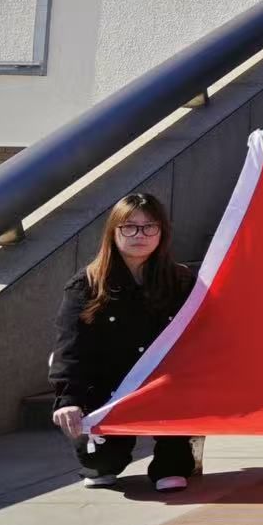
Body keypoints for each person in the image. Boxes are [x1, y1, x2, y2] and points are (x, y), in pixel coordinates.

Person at [50, 192, 197, 492]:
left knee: (173, 472)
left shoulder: (181, 281)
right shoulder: (87, 284)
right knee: (101, 467)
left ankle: (177, 456)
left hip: (165, 386)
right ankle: (104, 456)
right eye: (129, 227)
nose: (139, 235)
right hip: (107, 388)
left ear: (162, 232)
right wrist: (69, 400)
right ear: (113, 231)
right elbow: (70, 346)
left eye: (149, 227)